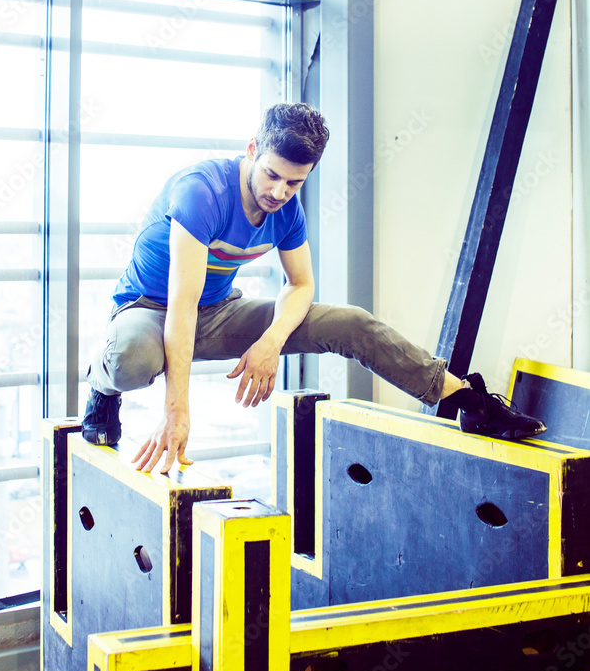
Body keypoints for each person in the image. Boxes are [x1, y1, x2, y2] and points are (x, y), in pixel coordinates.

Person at [82, 102, 545, 472]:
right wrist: (177, 411)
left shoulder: (286, 210)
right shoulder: (201, 192)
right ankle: (102, 389)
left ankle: (467, 399)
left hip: (218, 311)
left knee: (350, 322)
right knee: (132, 360)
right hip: (153, 309)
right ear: (251, 150)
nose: (280, 192)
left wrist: (271, 341)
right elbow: (180, 306)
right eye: (272, 175)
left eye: (294, 183)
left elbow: (301, 285)